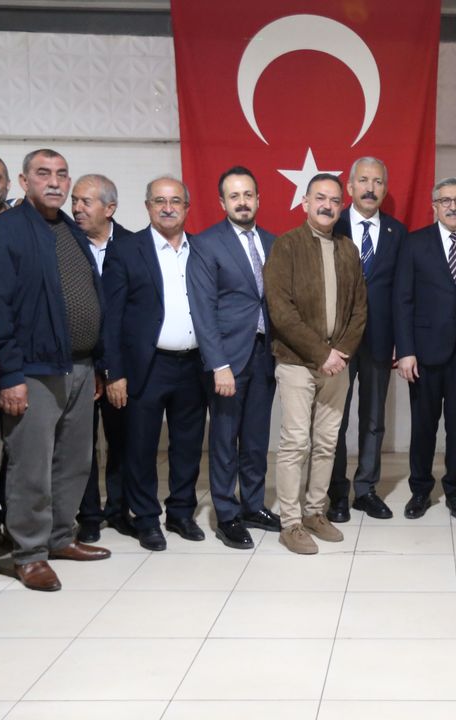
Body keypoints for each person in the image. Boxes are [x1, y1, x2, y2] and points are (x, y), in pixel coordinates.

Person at [0, 149, 111, 592]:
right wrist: (9, 376)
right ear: (23, 180)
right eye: (43, 173)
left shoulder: (70, 229)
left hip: (80, 367)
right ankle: (29, 553)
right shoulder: (4, 232)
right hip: (32, 371)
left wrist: (98, 363)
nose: (54, 182)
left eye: (61, 174)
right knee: (30, 466)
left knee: (74, 462)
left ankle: (59, 537)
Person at [102, 176, 207, 552]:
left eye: (175, 201)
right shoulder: (127, 250)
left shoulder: (201, 249)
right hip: (146, 366)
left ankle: (181, 512)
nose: (167, 208)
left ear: (186, 207)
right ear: (147, 206)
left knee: (188, 445)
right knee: (141, 446)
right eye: (159, 201)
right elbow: (111, 317)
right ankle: (146, 518)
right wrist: (114, 372)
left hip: (193, 365)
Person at [264, 174, 367, 554]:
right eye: (320, 198)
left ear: (341, 207)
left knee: (326, 442)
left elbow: (360, 309)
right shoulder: (286, 246)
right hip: (296, 362)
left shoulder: (348, 249)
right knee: (295, 442)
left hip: (337, 365)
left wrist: (340, 352)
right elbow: (280, 310)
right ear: (305, 202)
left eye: (335, 200)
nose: (327, 205)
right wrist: (321, 354)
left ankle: (314, 512)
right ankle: (290, 523)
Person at [187, 166, 282, 549]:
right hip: (228, 358)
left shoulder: (273, 242)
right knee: (225, 440)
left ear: (258, 198)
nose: (242, 202)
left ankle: (253, 505)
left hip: (265, 354)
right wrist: (219, 365)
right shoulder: (207, 243)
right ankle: (226, 515)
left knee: (256, 438)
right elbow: (202, 310)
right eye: (234, 196)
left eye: (248, 195)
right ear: (222, 202)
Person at [394, 177, 456, 520]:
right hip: (424, 353)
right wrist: (405, 350)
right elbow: (402, 299)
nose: (452, 206)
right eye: (445, 200)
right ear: (434, 206)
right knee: (423, 427)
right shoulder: (415, 243)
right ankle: (420, 490)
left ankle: (455, 491)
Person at [328, 157, 406, 523]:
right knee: (336, 421)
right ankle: (336, 493)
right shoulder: (332, 225)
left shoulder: (397, 232)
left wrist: (402, 342)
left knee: (374, 419)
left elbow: (403, 293)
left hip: (379, 340)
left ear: (384, 189)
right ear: (349, 186)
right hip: (337, 343)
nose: (370, 188)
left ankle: (365, 490)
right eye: (363, 180)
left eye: (377, 181)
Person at [72, 173, 133, 542]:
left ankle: (119, 509)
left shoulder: (132, 245)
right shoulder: (64, 243)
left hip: (120, 363)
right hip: (77, 360)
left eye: (86, 201)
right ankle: (89, 514)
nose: (77, 208)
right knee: (82, 444)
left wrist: (113, 368)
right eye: (75, 201)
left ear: (109, 208)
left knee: (121, 440)